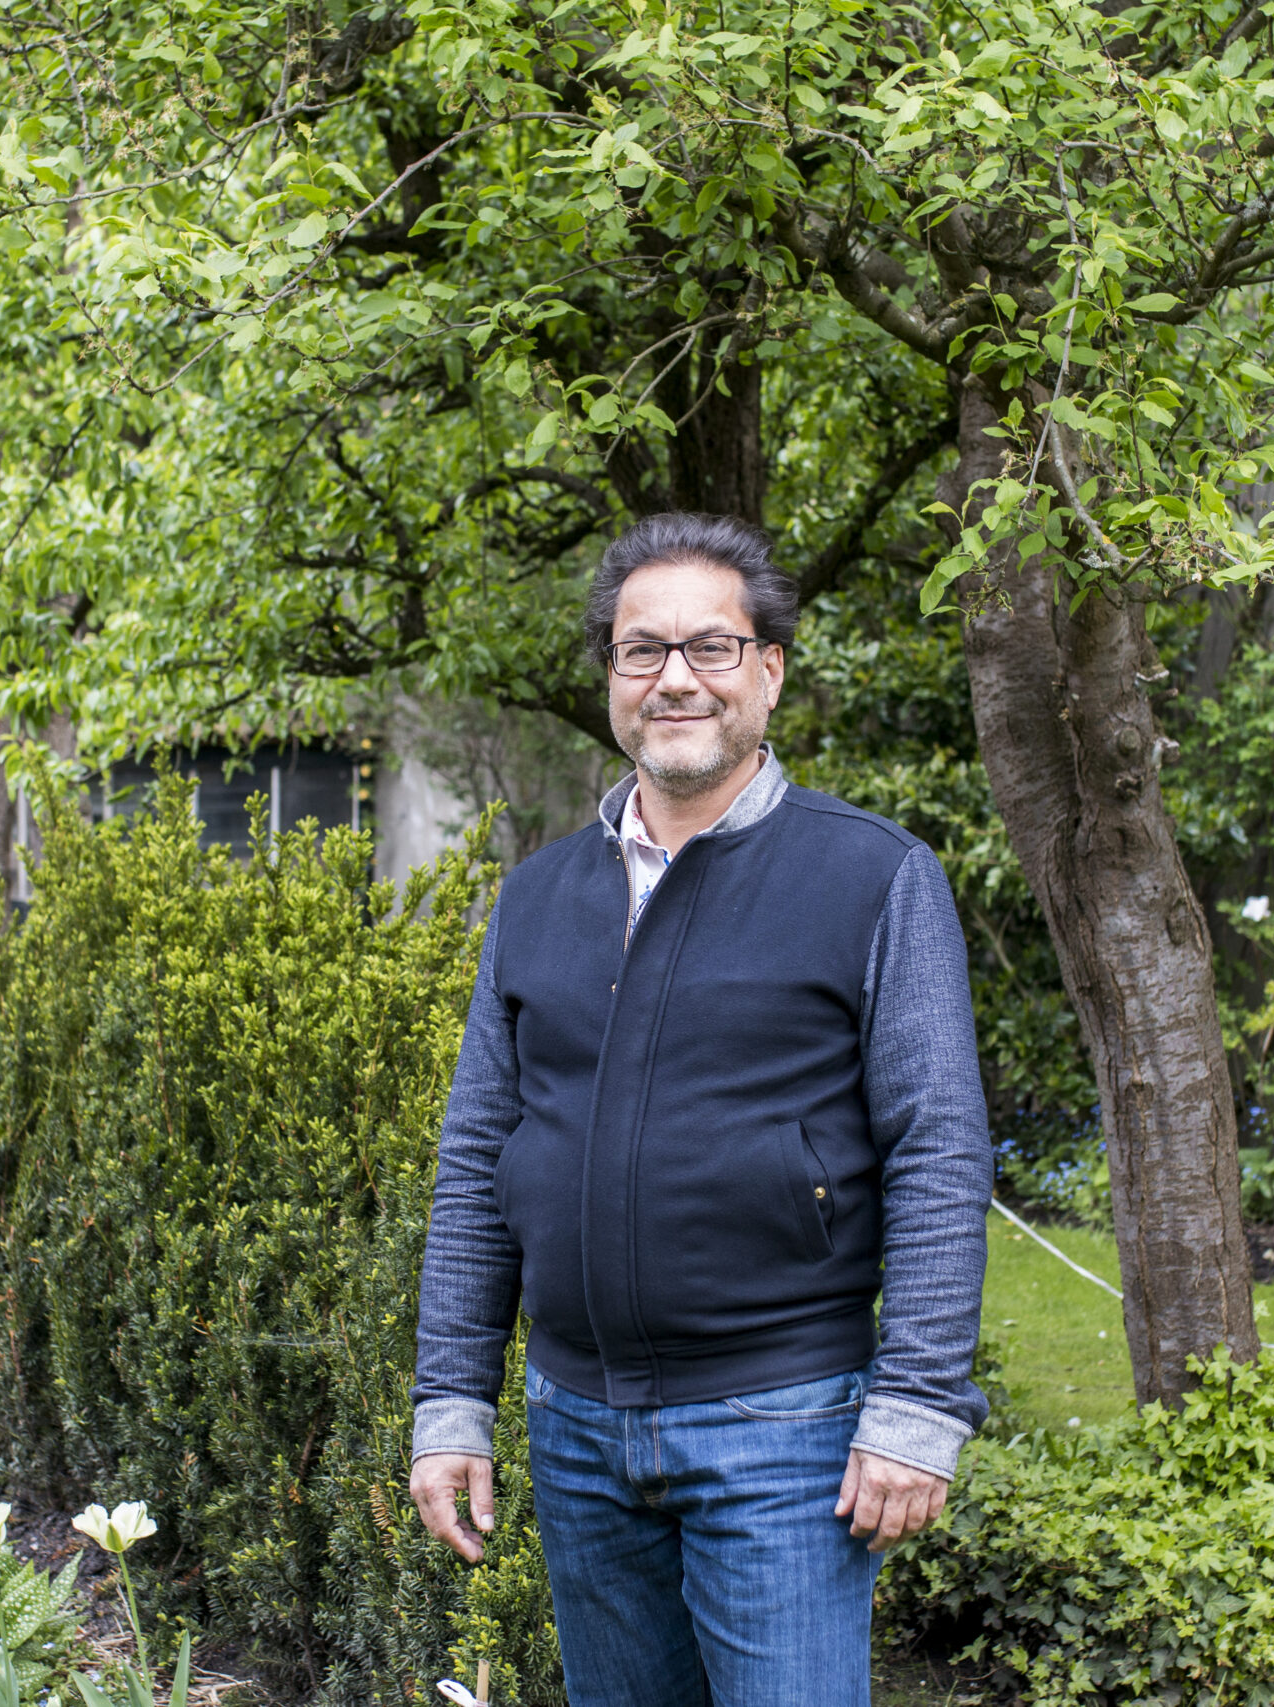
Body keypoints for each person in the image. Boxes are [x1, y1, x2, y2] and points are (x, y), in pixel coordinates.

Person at [407, 513, 993, 1707]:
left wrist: (919, 1404)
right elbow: (479, 1156)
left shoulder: (874, 878)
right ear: (613, 681)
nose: (675, 677)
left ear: (768, 671)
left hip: (783, 1429)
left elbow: (938, 1147)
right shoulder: (536, 896)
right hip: (574, 1426)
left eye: (712, 648)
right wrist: (452, 1400)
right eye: (642, 651)